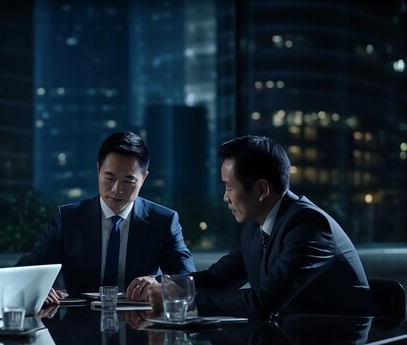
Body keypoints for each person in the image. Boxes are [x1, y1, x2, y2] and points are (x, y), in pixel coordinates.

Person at [148, 135, 381, 319]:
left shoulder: (309, 226)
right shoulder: (253, 227)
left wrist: (181, 297)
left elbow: (262, 304)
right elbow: (219, 278)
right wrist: (161, 283)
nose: (225, 198)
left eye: (229, 188)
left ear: (261, 190)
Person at [16, 131, 196, 304]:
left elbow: (187, 279)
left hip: (140, 326)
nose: (117, 189)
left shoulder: (163, 221)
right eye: (109, 178)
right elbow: (26, 270)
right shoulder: (68, 219)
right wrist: (37, 288)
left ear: (143, 178)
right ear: (98, 170)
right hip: (81, 327)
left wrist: (157, 282)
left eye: (128, 181)